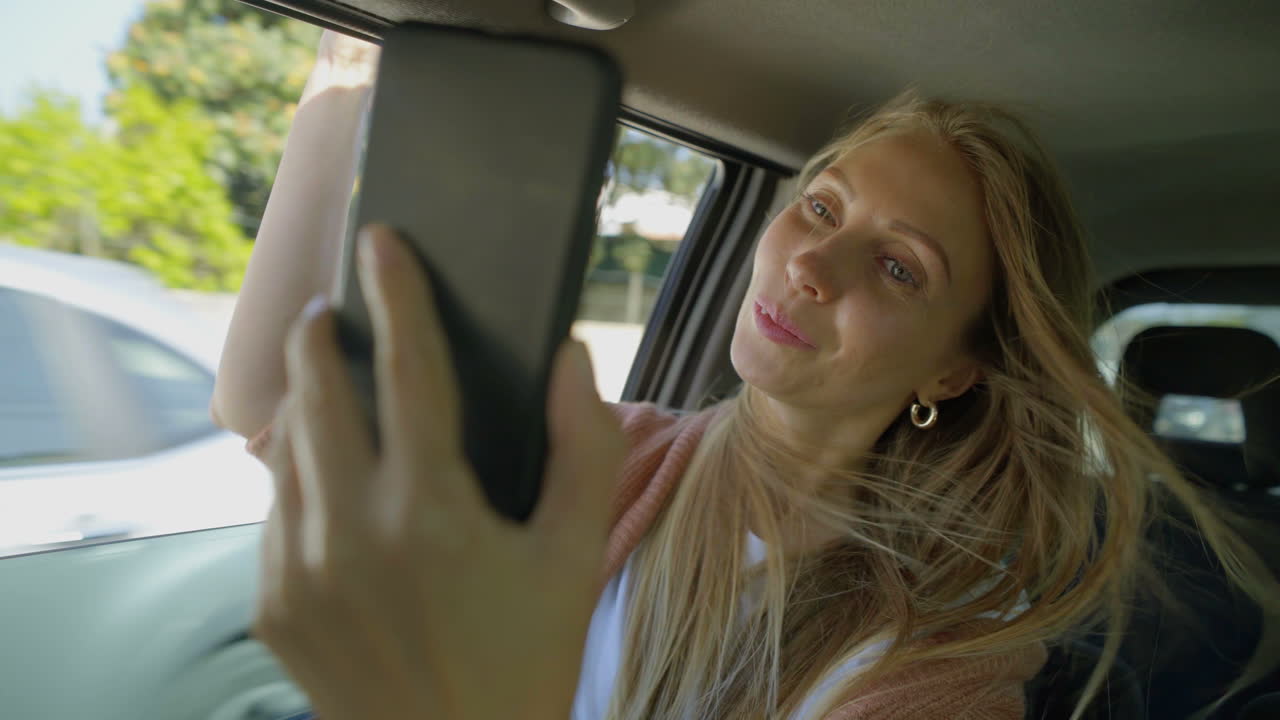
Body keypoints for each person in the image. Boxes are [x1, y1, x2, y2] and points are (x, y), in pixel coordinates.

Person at [211, 30, 1279, 720]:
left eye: (898, 267)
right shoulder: (608, 454)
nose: (813, 264)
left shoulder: (936, 667)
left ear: (955, 371)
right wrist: (346, 72)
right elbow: (263, 401)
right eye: (820, 206)